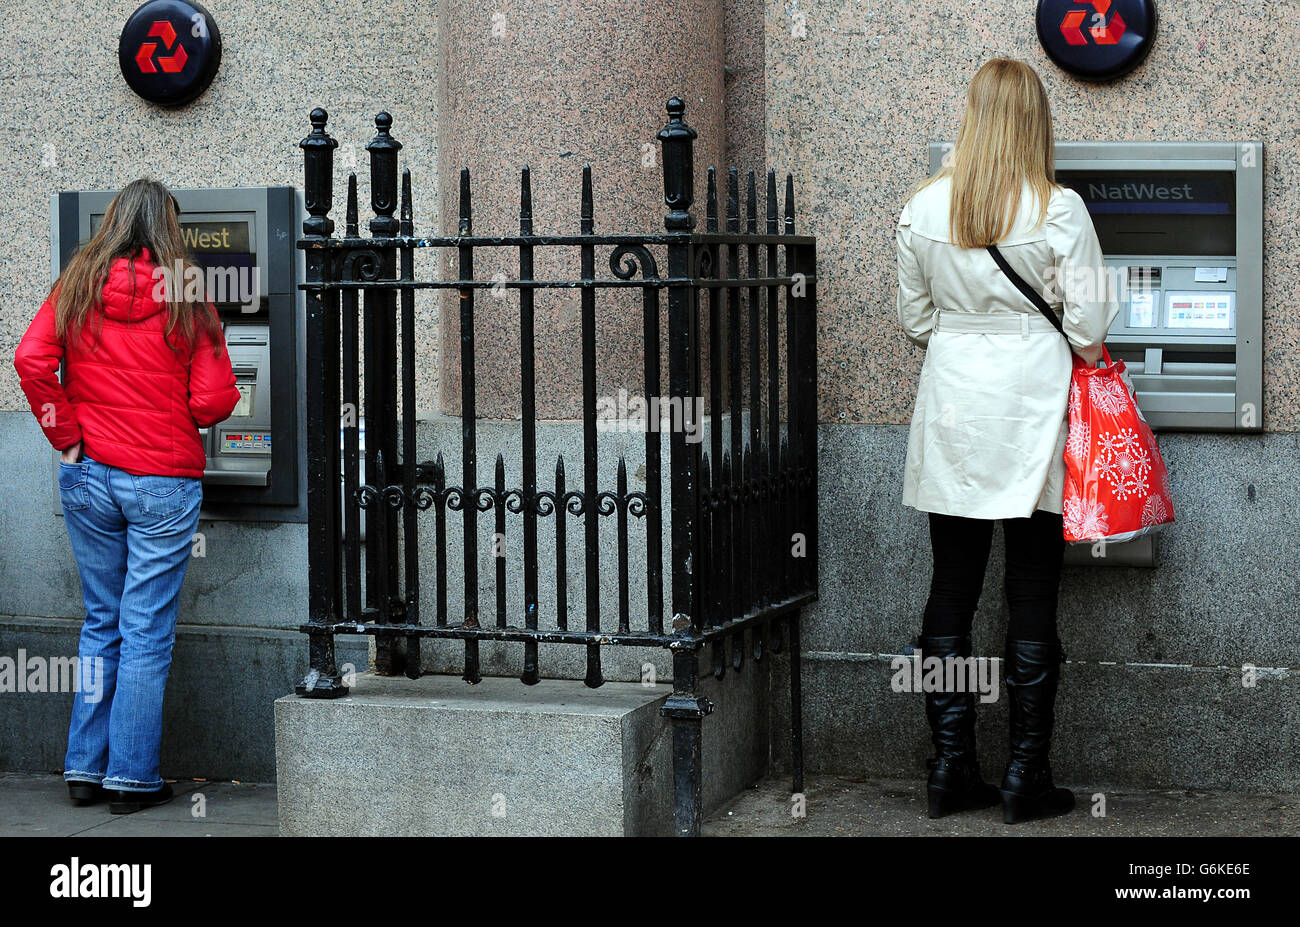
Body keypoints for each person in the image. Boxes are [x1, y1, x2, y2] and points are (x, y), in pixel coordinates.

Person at [895, 59, 1119, 824]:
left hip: (953, 407)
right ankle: (1027, 775)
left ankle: (951, 767)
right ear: (1035, 123)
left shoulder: (923, 208)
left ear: (970, 116)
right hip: (1033, 410)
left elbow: (916, 322)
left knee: (950, 594)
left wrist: (967, 335)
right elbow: (1090, 330)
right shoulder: (1061, 211)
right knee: (1031, 595)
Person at [14, 179, 240, 814]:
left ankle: (85, 771)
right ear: (170, 228)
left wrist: (67, 432)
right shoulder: (188, 296)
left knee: (102, 622)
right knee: (144, 631)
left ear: (111, 221)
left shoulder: (77, 283)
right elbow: (214, 400)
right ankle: (132, 779)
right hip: (163, 481)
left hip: (90, 475)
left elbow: (30, 359)